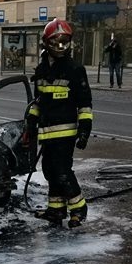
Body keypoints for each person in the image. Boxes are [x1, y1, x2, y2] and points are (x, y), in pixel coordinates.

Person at [25, 18, 93, 229]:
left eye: (64, 41)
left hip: (65, 132)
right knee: (49, 171)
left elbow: (85, 105)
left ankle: (79, 209)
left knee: (63, 172)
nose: (60, 46)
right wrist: (30, 123)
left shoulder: (74, 69)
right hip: (46, 132)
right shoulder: (43, 70)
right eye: (56, 41)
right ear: (47, 43)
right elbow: (38, 102)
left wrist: (84, 131)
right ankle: (56, 210)